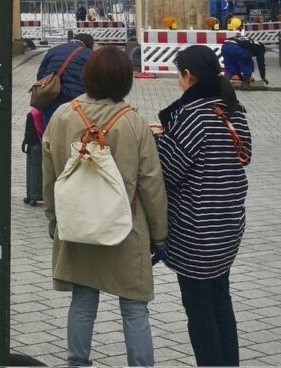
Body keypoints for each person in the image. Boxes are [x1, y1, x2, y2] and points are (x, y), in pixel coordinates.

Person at [42, 48, 168, 368]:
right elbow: (151, 183)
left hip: (78, 224)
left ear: (88, 75)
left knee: (82, 302)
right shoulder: (134, 122)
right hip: (126, 226)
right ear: (126, 80)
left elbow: (50, 176)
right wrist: (159, 233)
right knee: (135, 308)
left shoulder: (62, 116)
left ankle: (78, 363)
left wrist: (54, 220)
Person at [156, 45, 252, 368]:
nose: (177, 82)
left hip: (198, 230)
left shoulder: (193, 115)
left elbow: (169, 169)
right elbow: (241, 154)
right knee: (221, 300)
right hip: (227, 225)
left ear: (189, 76)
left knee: (198, 310)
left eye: (178, 75)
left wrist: (160, 140)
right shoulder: (231, 109)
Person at [36, 34, 94, 125]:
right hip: (77, 100)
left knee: (50, 129)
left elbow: (40, 76)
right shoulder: (89, 54)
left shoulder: (53, 50)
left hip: (51, 97)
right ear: (89, 45)